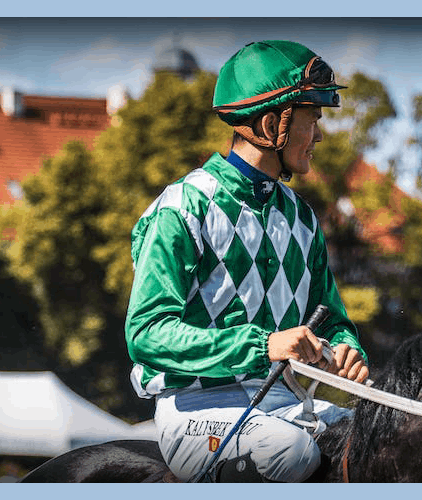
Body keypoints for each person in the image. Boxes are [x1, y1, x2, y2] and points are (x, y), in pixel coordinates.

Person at [125, 40, 369, 483]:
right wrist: (263, 346)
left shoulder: (302, 216)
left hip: (288, 402)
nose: (319, 134)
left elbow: (330, 317)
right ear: (272, 123)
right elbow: (146, 334)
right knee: (288, 453)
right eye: (311, 119)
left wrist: (346, 348)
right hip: (198, 409)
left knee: (381, 440)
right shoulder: (181, 207)